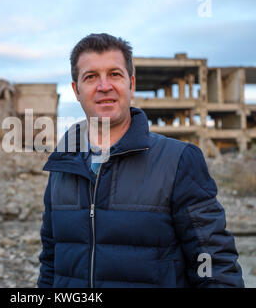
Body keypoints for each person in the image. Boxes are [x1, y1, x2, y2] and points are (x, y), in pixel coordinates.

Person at [37, 33, 244, 288]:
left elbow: (214, 264)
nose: (104, 86)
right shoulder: (62, 166)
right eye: (91, 77)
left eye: (115, 74)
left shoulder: (177, 160)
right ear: (75, 90)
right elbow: (50, 262)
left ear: (131, 84)